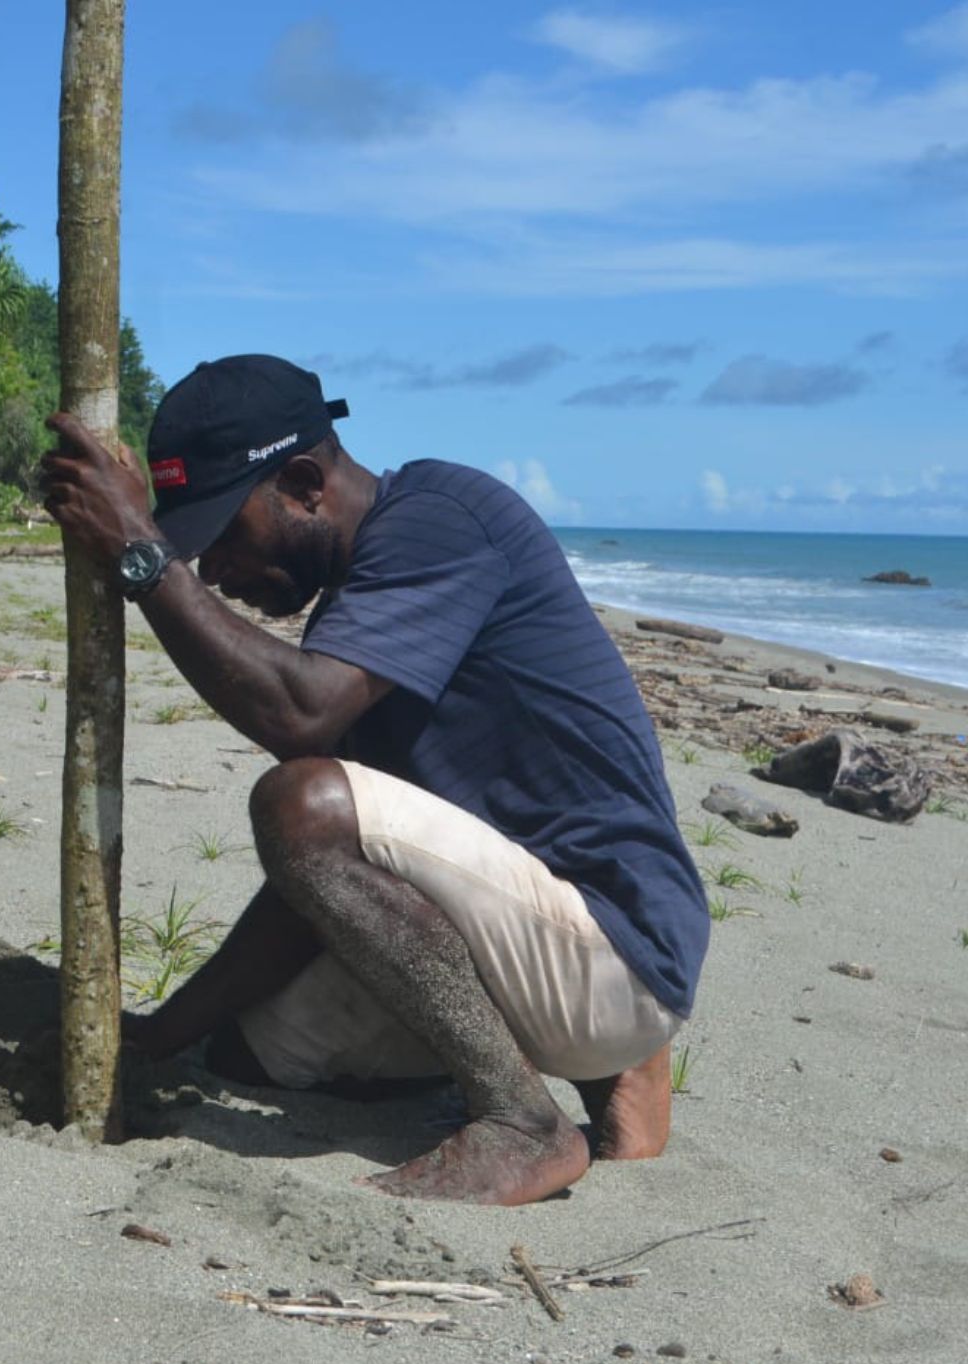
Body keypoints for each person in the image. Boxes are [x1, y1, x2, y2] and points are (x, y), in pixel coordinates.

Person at [40, 355, 708, 1205]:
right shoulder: (362, 614)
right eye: (193, 550)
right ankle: (600, 1067)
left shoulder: (441, 520)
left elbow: (298, 721)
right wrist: (160, 1037)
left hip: (613, 945)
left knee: (302, 799)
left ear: (305, 482)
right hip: (525, 943)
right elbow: (322, 884)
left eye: (223, 536)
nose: (212, 572)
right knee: (253, 1053)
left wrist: (141, 550)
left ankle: (524, 1121)